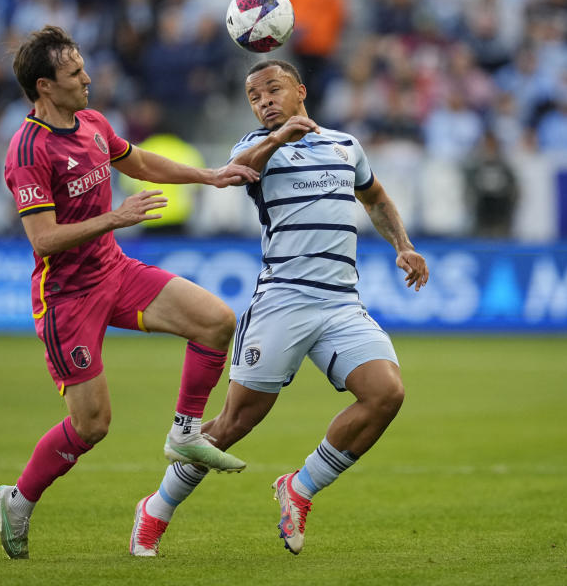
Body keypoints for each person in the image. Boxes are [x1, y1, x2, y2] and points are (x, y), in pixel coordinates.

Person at [130, 59, 429, 557]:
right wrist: (278, 137)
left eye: (273, 89)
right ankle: (156, 509)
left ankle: (300, 487)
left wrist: (403, 243)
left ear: (301, 91)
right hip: (282, 300)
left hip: (340, 302)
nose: (264, 100)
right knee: (232, 425)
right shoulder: (251, 149)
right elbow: (244, 168)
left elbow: (374, 197)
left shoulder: (345, 146)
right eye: (254, 95)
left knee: (386, 393)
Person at [0, 26, 259, 560]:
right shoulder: (28, 151)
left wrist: (209, 176)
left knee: (217, 321)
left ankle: (185, 431)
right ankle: (18, 498)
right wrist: (115, 216)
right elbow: (43, 240)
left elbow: (136, 162)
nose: (88, 78)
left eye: (85, 67)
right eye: (75, 74)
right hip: (66, 296)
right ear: (45, 86)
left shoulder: (91, 123)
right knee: (93, 425)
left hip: (114, 271)